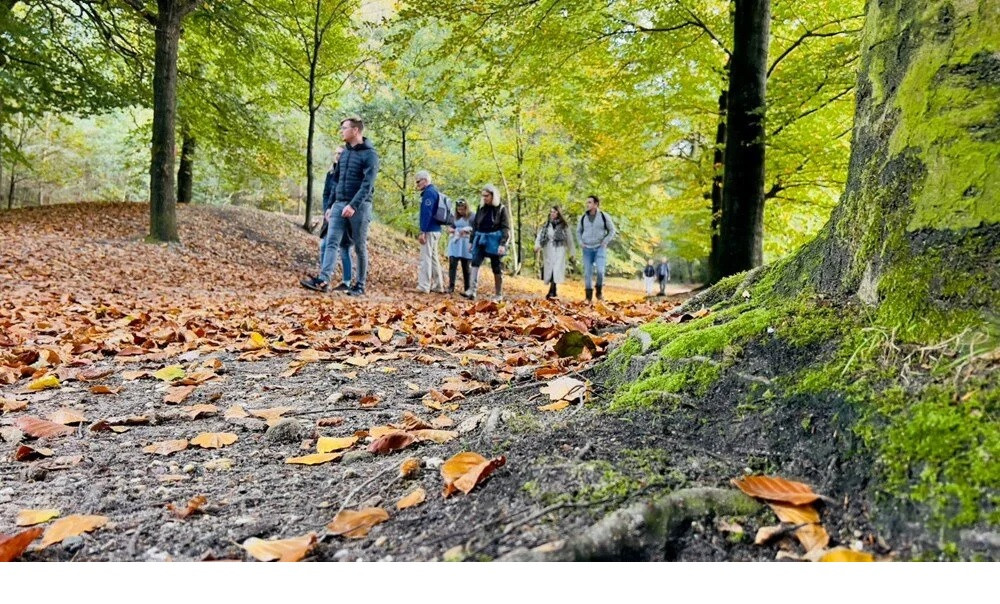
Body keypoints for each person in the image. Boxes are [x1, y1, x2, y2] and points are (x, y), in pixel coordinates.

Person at [301, 117, 379, 296]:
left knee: (359, 246)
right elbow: (336, 181)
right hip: (338, 205)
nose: (341, 131)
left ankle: (359, 285)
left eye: (344, 128)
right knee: (331, 242)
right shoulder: (344, 154)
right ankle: (323, 280)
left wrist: (353, 205)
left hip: (360, 207)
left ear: (356, 130)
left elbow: (367, 185)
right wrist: (330, 206)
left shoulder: (370, 155)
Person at [461, 184, 510, 302]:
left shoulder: (501, 209)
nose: (484, 198)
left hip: (494, 239)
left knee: (496, 265)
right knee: (475, 262)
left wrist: (502, 244)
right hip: (480, 237)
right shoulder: (481, 208)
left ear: (493, 195)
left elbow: (505, 228)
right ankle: (472, 291)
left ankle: (498, 294)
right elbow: (475, 225)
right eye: (483, 196)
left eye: (487, 196)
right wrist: (471, 241)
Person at [316, 147, 353, 291]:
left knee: (344, 248)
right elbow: (327, 194)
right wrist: (327, 209)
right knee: (325, 245)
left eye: (340, 153)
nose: (337, 156)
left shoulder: (348, 173)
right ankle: (323, 279)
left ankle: (347, 281)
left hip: (344, 212)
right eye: (336, 153)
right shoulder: (330, 174)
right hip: (330, 214)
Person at [577, 194, 616, 302]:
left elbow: (612, 230)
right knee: (587, 273)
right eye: (587, 202)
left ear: (596, 204)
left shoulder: (604, 216)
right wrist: (580, 242)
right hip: (587, 249)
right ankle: (588, 297)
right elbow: (578, 231)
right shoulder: (583, 218)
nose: (587, 204)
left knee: (600, 271)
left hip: (600, 248)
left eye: (589, 202)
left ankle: (599, 292)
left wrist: (605, 241)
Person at [534, 205, 574, 300]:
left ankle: (551, 291)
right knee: (551, 269)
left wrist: (572, 253)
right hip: (548, 250)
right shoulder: (546, 225)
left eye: (554, 212)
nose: (552, 214)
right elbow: (540, 236)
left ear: (558, 213)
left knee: (555, 270)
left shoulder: (564, 226)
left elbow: (569, 240)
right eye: (551, 212)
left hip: (560, 249)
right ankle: (553, 290)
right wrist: (537, 246)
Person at [415, 170, 445, 293]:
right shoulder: (435, 192)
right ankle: (438, 285)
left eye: (418, 181)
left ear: (425, 180)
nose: (417, 185)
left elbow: (427, 214)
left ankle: (424, 286)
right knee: (433, 258)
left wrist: (423, 231)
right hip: (436, 230)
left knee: (425, 258)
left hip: (430, 230)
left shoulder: (429, 193)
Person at [446, 199, 474, 294]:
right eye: (459, 209)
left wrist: (467, 230)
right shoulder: (454, 217)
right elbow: (450, 226)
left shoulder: (472, 216)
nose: (460, 211)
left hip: (466, 243)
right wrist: (451, 230)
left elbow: (476, 229)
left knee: (466, 266)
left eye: (462, 209)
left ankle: (467, 288)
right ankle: (451, 286)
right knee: (452, 264)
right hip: (455, 242)